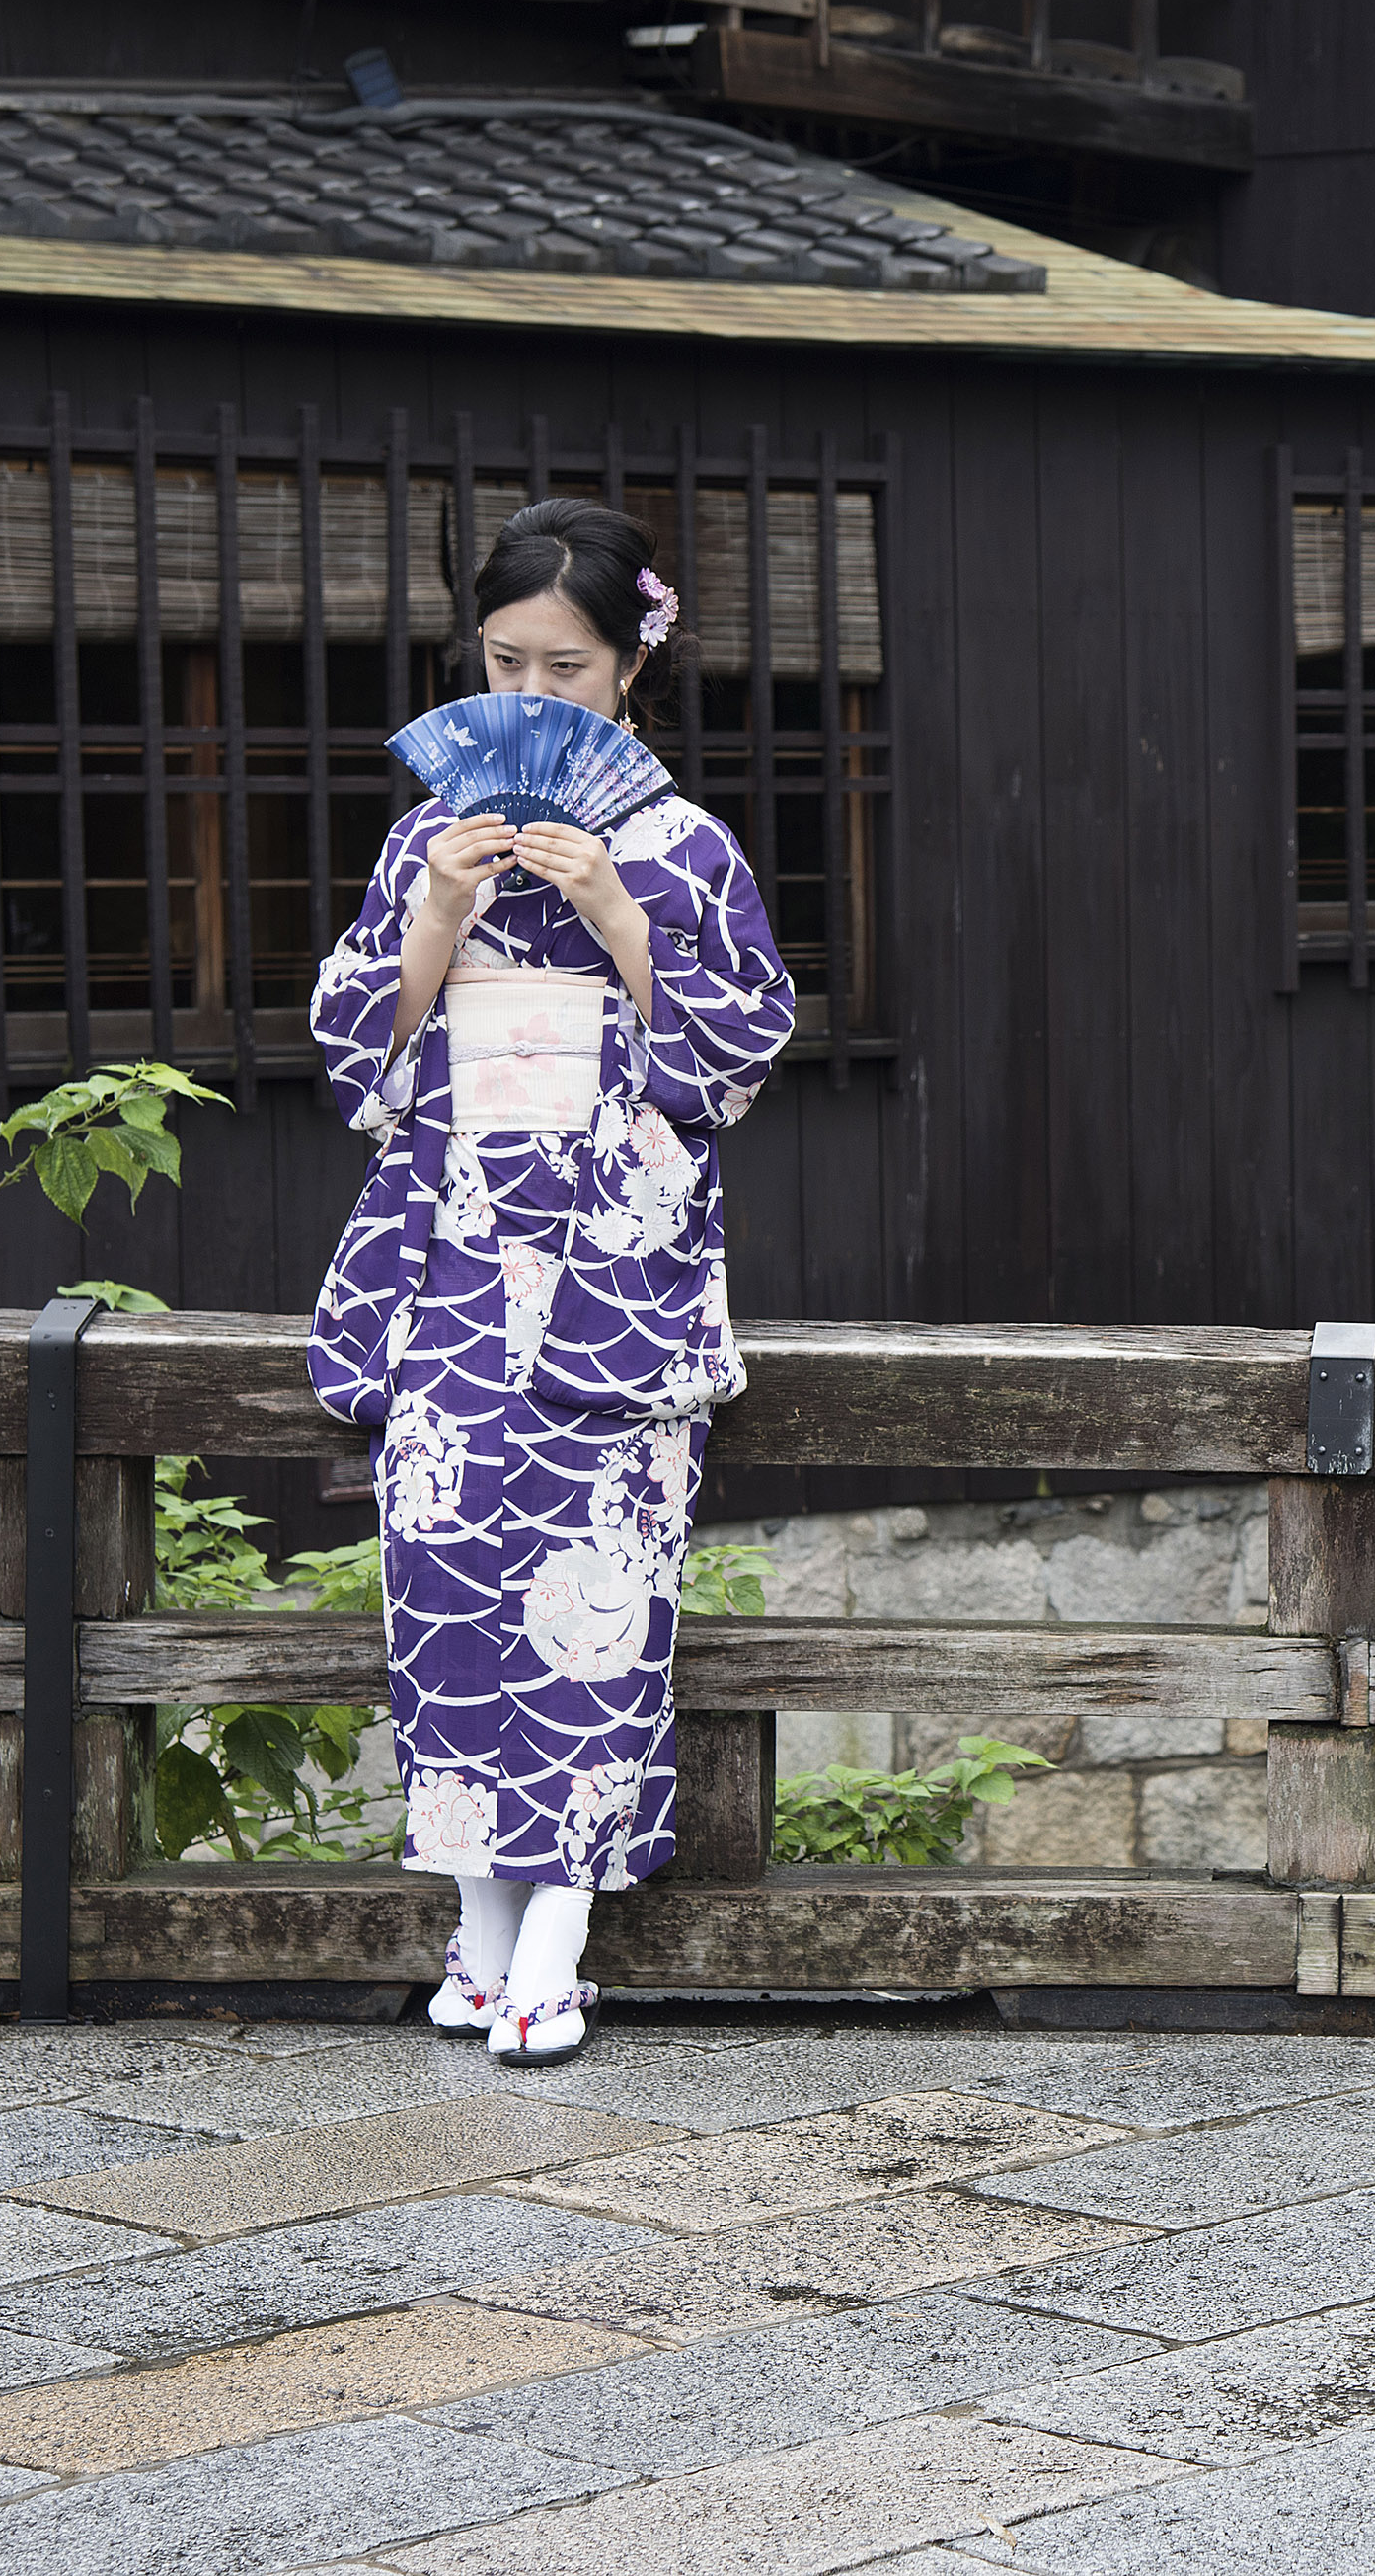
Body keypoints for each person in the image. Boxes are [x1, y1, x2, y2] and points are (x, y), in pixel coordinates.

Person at [306, 498, 796, 2065]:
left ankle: (562, 1935)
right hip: (452, 1248)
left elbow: (730, 1065)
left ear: (633, 664)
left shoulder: (685, 847)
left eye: (565, 669)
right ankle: (477, 1927)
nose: (529, 695)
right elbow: (356, 1067)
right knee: (443, 1582)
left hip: (614, 1263)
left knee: (601, 1600)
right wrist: (436, 913)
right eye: (504, 661)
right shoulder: (422, 840)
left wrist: (616, 913)